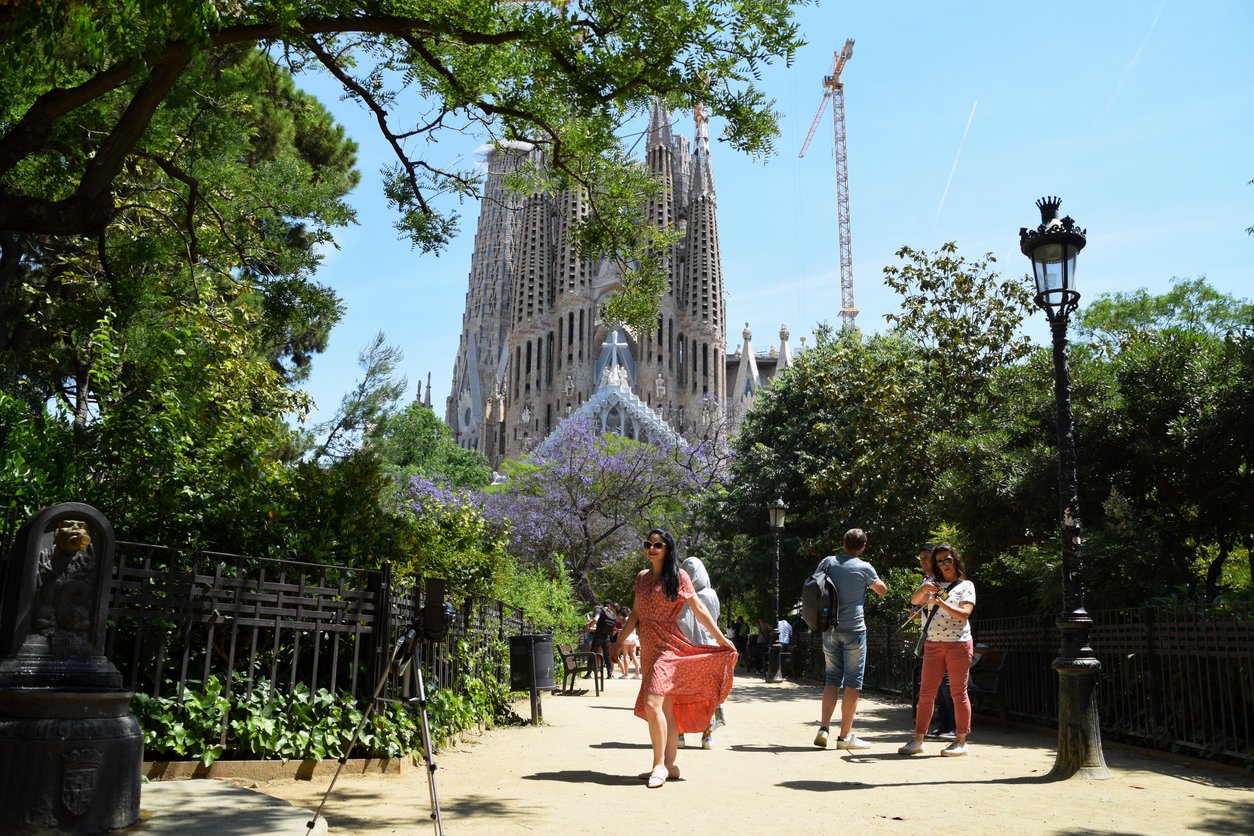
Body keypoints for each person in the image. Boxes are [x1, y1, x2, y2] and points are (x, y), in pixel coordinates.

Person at [611, 529, 737, 788]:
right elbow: (635, 614)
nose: (652, 548)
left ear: (668, 548)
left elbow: (699, 610)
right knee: (665, 708)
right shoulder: (642, 578)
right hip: (648, 648)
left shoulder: (679, 577)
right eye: (648, 544)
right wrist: (619, 641)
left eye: (658, 544)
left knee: (652, 702)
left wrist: (723, 640)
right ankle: (670, 765)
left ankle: (658, 765)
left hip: (669, 647)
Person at [812, 528, 888, 750]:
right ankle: (845, 737)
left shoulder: (827, 562)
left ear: (843, 543)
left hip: (830, 629)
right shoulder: (864, 567)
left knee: (832, 679)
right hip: (854, 629)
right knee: (853, 682)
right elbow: (882, 590)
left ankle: (824, 728)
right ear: (863, 547)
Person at [899, 543, 976, 757]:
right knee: (926, 693)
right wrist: (924, 590)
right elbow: (915, 601)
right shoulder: (930, 583)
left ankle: (961, 741)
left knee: (958, 693)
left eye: (947, 560)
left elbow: (964, 614)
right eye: (939, 561)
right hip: (933, 643)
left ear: (955, 560)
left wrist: (940, 602)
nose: (944, 564)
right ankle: (918, 740)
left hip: (958, 643)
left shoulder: (966, 585)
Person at [677, 556, 725, 749]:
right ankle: (707, 735)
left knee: (681, 694)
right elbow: (715, 618)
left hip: (685, 650)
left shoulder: (680, 595)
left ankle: (679, 734)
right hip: (708, 650)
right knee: (707, 695)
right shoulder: (711, 594)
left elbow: (678, 622)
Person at [909, 544, 956, 740]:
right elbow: (918, 603)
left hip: (950, 639)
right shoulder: (927, 581)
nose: (923, 561)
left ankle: (951, 726)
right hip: (931, 636)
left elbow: (951, 606)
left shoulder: (945, 582)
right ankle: (943, 724)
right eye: (921, 558)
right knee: (936, 685)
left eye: (927, 557)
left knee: (947, 684)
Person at [590, 601, 619, 679]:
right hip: (606, 638)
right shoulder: (611, 614)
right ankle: (609, 673)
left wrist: (590, 624)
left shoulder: (600, 611)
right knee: (606, 656)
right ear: (609, 605)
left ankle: (588, 672)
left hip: (598, 636)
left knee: (592, 653)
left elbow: (596, 619)